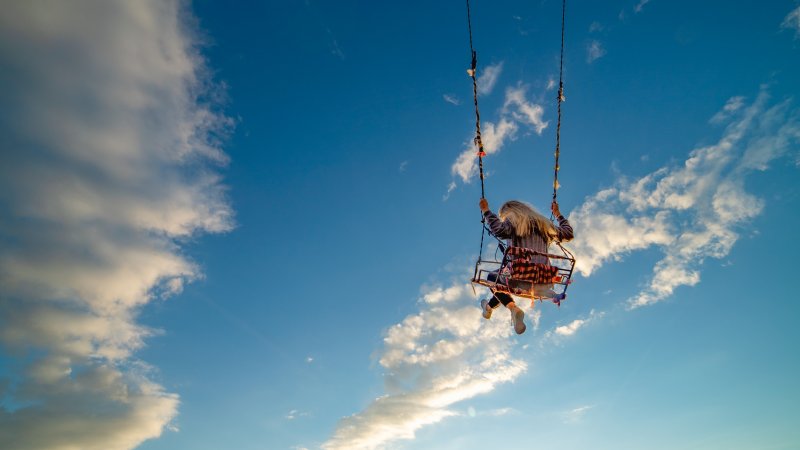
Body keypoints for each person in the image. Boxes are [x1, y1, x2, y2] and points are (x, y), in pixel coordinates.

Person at [478, 198, 574, 334]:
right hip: (543, 281)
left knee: (492, 277)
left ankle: (510, 309)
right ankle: (490, 308)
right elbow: (568, 234)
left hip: (519, 279)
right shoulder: (545, 225)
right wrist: (557, 214)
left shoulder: (513, 221)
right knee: (500, 282)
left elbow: (499, 230)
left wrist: (486, 211)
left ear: (510, 213)